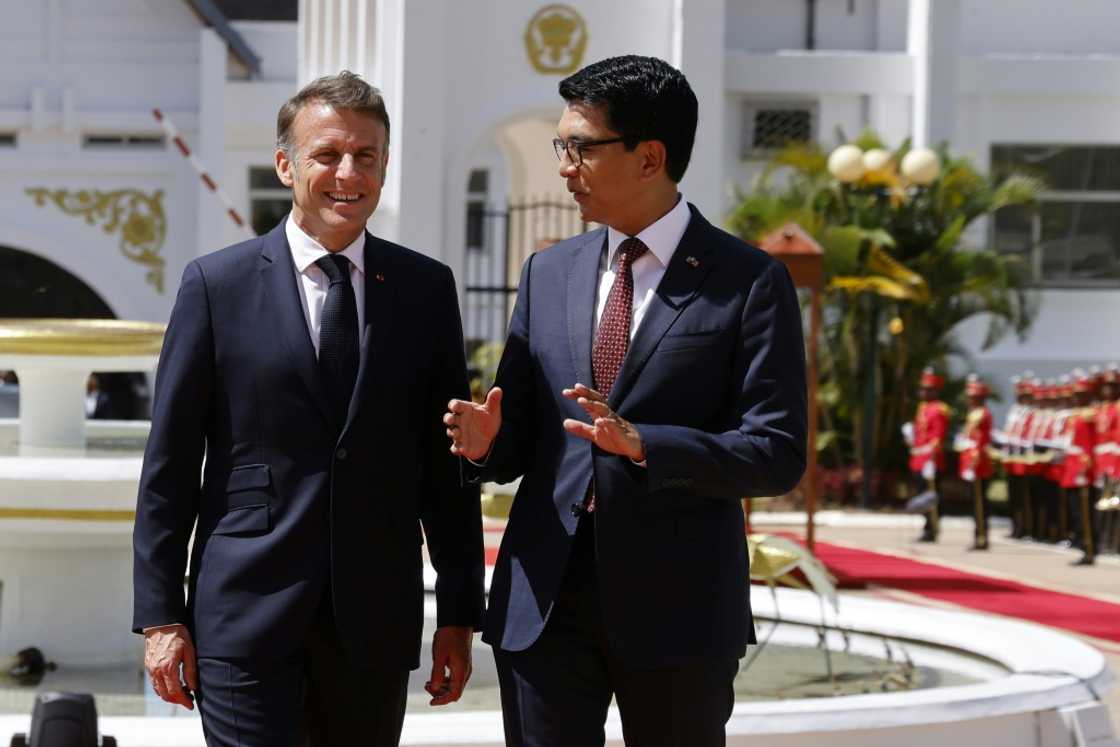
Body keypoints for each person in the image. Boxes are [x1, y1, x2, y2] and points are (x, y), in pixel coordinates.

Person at [444, 55, 807, 746]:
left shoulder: (748, 282)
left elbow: (776, 452)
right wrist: (490, 441)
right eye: (561, 145)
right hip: (545, 598)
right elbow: (525, 434)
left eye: (581, 147)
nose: (563, 165)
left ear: (651, 157)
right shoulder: (549, 271)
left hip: (679, 608)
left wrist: (647, 444)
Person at [132, 71, 484, 746]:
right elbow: (169, 468)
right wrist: (161, 617)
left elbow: (447, 471)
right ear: (287, 164)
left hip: (373, 624)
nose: (348, 173)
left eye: (367, 156)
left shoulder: (425, 290)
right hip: (243, 614)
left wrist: (459, 613)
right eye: (327, 154)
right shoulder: (216, 285)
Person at [907, 368, 949, 542]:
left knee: (931, 496)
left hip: (931, 459)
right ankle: (927, 526)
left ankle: (932, 528)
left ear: (935, 391)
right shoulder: (922, 408)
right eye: (922, 388)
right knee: (922, 494)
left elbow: (937, 437)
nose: (923, 392)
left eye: (927, 389)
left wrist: (930, 457)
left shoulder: (939, 409)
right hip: (919, 458)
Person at [956, 374, 993, 550]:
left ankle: (981, 537)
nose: (969, 400)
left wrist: (973, 463)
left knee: (979, 502)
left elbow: (981, 440)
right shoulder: (974, 413)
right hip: (971, 460)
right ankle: (978, 534)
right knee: (974, 501)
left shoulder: (982, 414)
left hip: (977, 464)